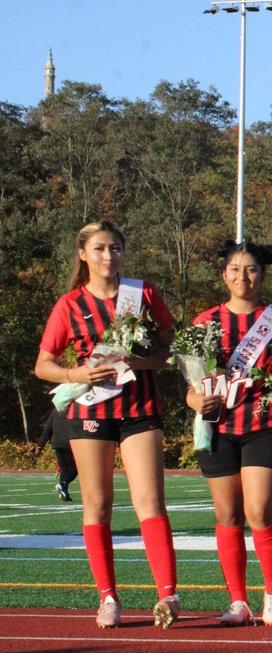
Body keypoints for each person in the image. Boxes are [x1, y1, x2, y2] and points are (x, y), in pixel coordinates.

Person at [35, 221, 179, 629]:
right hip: (89, 412)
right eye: (99, 249)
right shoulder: (69, 304)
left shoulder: (143, 293)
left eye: (115, 248)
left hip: (140, 407)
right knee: (97, 505)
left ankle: (168, 594)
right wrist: (76, 375)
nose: (108, 256)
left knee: (150, 502)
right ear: (83, 254)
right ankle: (108, 599)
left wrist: (143, 362)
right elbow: (43, 365)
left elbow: (172, 350)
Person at [189, 240, 272, 626]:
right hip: (217, 429)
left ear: (262, 275)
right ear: (224, 275)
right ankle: (237, 602)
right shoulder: (205, 322)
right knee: (228, 514)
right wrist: (196, 402)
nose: (242, 276)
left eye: (250, 269)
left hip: (262, 426)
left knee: (259, 511)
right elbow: (191, 384)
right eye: (235, 269)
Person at [38, 408, 77, 502]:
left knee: (64, 468)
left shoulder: (55, 411)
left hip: (57, 443)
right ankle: (64, 484)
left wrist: (40, 445)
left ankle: (64, 494)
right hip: (69, 442)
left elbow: (48, 429)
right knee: (75, 468)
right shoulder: (74, 410)